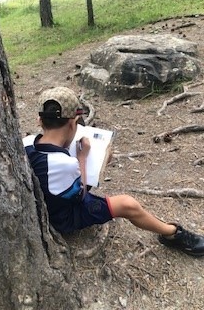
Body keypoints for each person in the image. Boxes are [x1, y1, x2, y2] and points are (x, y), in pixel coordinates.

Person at [23, 86, 204, 257]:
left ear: (40, 120)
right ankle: (172, 234)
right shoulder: (66, 164)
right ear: (73, 123)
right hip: (60, 217)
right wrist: (83, 158)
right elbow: (81, 194)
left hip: (42, 202)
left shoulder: (26, 142)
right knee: (127, 204)